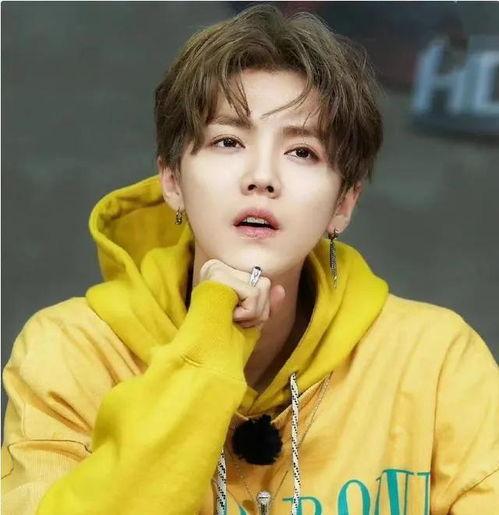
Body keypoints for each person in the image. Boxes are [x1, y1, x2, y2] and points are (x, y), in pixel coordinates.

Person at [2, 4, 498, 514]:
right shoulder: (71, 351)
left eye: (302, 152)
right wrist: (207, 348)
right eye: (228, 141)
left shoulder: (436, 361)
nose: (262, 177)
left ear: (343, 204)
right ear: (172, 181)